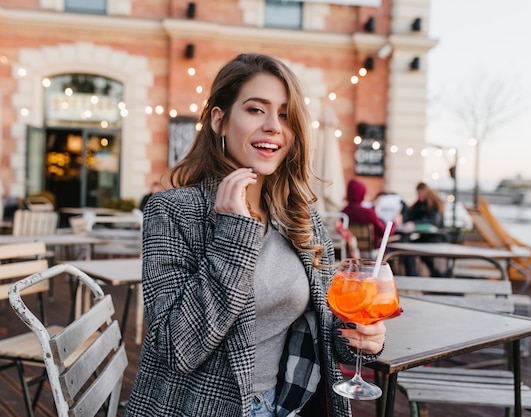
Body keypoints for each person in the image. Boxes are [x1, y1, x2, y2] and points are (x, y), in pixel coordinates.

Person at [125, 53, 386, 417]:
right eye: (255, 110)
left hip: (291, 401)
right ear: (219, 120)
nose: (273, 126)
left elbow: (325, 324)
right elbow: (177, 349)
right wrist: (235, 237)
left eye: (284, 114)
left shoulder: (301, 216)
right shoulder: (172, 210)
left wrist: (360, 342)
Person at [403, 182, 447, 276]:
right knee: (409, 248)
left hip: (436, 238)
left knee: (412, 249)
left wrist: (415, 223)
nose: (419, 196)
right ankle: (420, 274)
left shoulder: (435, 204)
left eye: (420, 194)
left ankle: (415, 275)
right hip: (426, 238)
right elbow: (411, 214)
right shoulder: (420, 204)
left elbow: (433, 221)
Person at [341, 179, 395, 250]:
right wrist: (395, 223)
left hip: (349, 250)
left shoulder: (343, 212)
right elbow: (385, 233)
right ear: (362, 193)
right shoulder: (368, 213)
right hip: (371, 251)